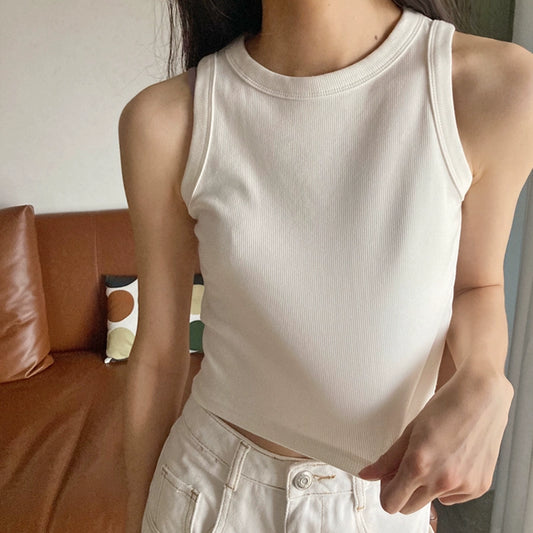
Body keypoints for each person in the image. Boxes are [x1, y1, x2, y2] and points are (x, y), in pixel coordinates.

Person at [118, 0, 533, 531]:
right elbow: (158, 356)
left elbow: (475, 285)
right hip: (209, 498)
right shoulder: (167, 120)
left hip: (383, 504)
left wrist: (486, 378)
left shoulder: (495, 87)